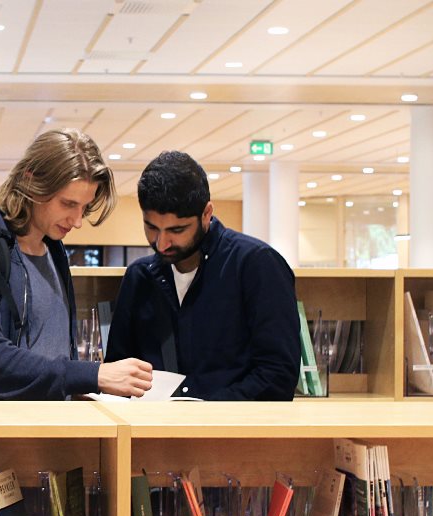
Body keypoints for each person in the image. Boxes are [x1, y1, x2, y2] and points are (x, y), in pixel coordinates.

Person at [0, 128, 154, 400]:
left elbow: (54, 352)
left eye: (83, 208)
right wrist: (92, 376)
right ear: (30, 182)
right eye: (67, 204)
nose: (77, 221)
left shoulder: (53, 246)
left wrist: (76, 390)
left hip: (48, 431)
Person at [105, 150, 300, 400]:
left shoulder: (257, 265)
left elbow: (278, 375)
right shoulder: (139, 277)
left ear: (207, 213)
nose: (162, 243)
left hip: (235, 432)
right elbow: (118, 374)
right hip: (152, 432)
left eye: (177, 230)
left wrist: (204, 414)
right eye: (151, 227)